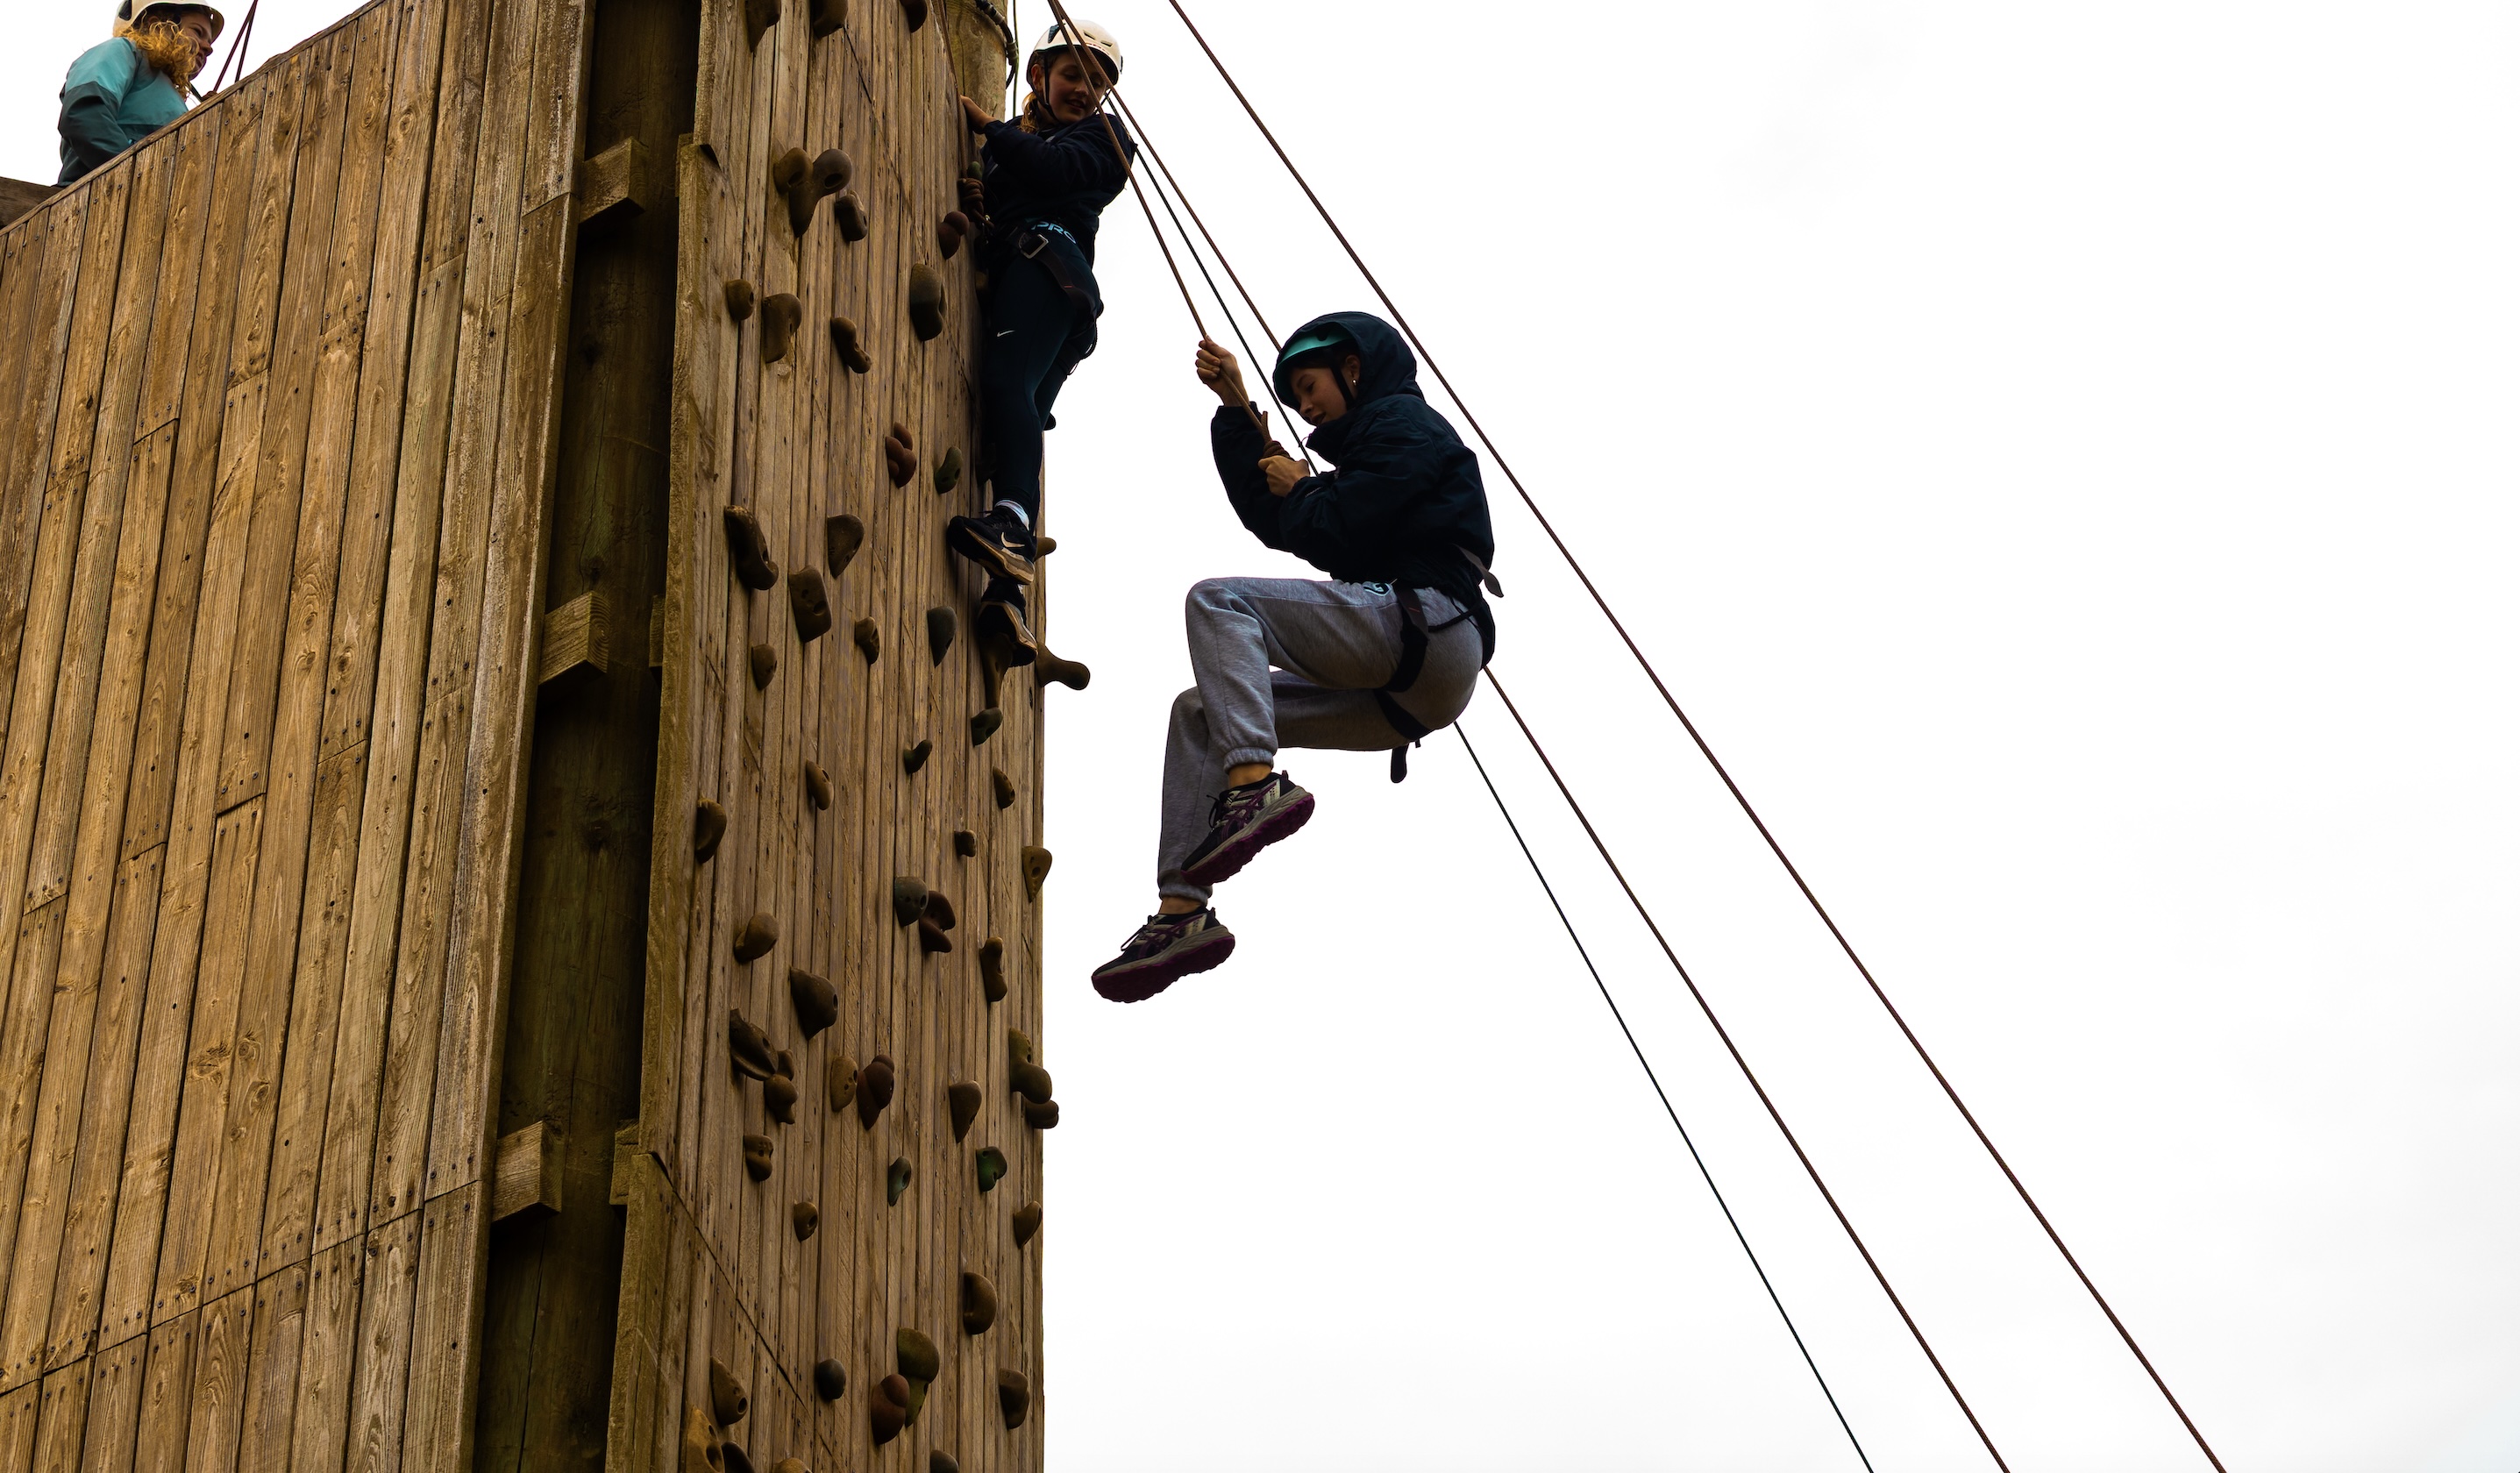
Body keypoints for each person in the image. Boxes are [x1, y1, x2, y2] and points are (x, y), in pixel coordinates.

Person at [1090, 312, 1502, 1002]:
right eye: (1295, 397)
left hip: (1427, 622)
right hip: (1405, 693)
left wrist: (1307, 488)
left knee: (1218, 602)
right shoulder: (1366, 455)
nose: (1305, 406)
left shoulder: (1405, 422)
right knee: (1202, 711)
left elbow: (1337, 512)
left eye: (1310, 387)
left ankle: (1254, 785)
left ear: (1355, 369)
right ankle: (1181, 912)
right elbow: (1291, 525)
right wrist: (1236, 409)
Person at [943, 19, 1135, 665]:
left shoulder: (1106, 139)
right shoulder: (1016, 144)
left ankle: (1015, 536)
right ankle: (1008, 596)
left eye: (1097, 79)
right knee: (1007, 420)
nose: (1085, 89)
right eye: (1074, 74)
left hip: (1049, 266)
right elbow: (1015, 177)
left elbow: (1052, 172)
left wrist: (989, 130)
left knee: (1006, 387)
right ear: (1039, 76)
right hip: (1039, 279)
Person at [57, 2, 222, 187]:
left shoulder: (172, 96)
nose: (209, 48)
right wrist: (138, 175)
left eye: (209, 41)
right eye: (198, 32)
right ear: (157, 24)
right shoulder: (123, 50)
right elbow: (84, 114)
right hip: (95, 199)